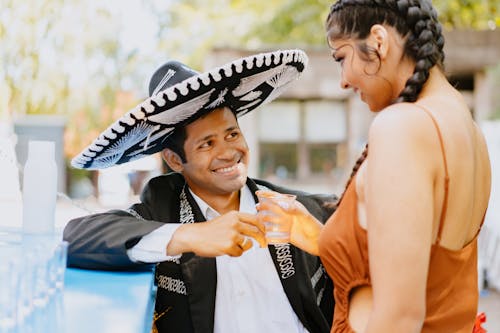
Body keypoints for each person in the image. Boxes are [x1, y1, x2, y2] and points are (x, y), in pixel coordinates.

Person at [256, 1, 491, 332]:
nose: (343, 81)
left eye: (341, 58)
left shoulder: (403, 127)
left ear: (379, 41)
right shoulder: (469, 131)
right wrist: (322, 238)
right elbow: (427, 270)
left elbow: (400, 318)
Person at [64, 50, 335, 333]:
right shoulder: (161, 212)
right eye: (207, 144)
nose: (229, 152)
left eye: (232, 135)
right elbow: (75, 237)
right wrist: (191, 235)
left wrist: (323, 241)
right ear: (174, 160)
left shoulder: (299, 211)